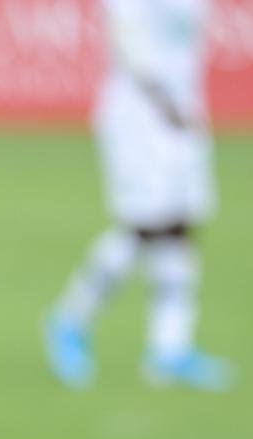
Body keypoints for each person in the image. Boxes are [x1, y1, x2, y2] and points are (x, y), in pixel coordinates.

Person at [45, 0, 234, 390]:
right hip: (141, 116)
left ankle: (170, 348)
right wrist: (164, 100)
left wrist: (182, 108)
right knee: (145, 226)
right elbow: (127, 40)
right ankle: (70, 319)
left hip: (185, 113)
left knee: (181, 225)